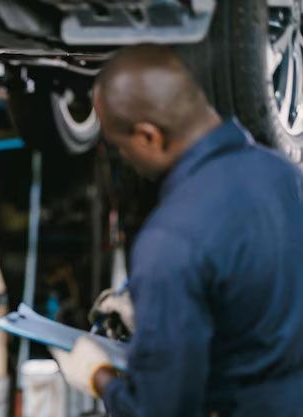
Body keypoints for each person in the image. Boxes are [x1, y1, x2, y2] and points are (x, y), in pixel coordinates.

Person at [51, 44, 303, 417]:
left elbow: (161, 410)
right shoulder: (285, 176)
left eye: (121, 148)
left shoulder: (171, 238)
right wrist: (165, 306)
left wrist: (98, 376)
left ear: (149, 136)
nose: (125, 159)